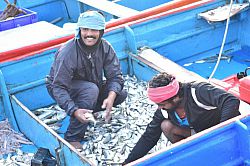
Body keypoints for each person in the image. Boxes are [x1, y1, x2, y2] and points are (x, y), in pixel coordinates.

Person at [46, 10, 127, 149]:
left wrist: (111, 97)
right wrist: (73, 110)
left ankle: (87, 108)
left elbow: (115, 77)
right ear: (79, 30)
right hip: (62, 88)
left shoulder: (105, 47)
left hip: (90, 84)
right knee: (90, 90)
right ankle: (73, 137)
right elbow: (58, 87)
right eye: (85, 29)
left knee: (120, 93)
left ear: (101, 31)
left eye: (94, 30)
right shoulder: (68, 52)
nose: (89, 34)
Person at [123, 72, 240, 164]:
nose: (159, 108)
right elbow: (149, 136)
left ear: (175, 98)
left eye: (162, 104)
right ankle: (195, 155)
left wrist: (221, 131)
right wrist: (128, 162)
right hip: (201, 133)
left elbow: (230, 101)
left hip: (223, 133)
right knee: (166, 126)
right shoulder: (165, 110)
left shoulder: (198, 91)